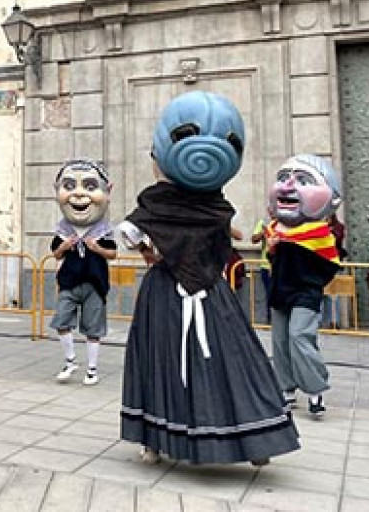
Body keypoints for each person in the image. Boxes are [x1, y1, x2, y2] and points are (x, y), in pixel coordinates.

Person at [117, 91, 299, 466]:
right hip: (213, 291)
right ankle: (255, 440)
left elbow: (131, 237)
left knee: (162, 361)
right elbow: (225, 236)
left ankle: (155, 439)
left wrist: (154, 252)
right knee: (232, 359)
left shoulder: (154, 203)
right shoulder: (217, 205)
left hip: (165, 291)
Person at [265, 154, 342, 419]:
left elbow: (329, 267)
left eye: (303, 180)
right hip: (280, 290)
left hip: (306, 293)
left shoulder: (321, 234)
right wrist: (273, 249)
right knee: (280, 342)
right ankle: (286, 389)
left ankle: (315, 389)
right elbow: (272, 260)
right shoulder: (275, 229)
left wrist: (310, 282)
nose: (288, 186)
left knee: (300, 338)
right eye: (284, 178)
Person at [49, 159, 117, 387]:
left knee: (93, 329)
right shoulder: (62, 229)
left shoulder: (104, 230)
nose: (78, 195)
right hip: (69, 282)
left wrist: (97, 248)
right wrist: (65, 246)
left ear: (108, 191)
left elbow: (112, 254)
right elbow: (56, 254)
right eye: (68, 186)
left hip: (94, 284)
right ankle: (70, 361)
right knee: (61, 321)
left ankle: (92, 368)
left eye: (90, 187)